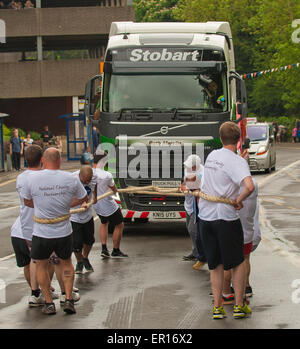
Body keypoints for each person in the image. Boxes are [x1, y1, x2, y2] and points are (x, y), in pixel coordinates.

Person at [198, 121, 254, 320]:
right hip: (225, 218)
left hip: (205, 217)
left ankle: (217, 308)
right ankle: (239, 306)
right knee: (237, 262)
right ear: (238, 140)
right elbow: (249, 186)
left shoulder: (212, 156)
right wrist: (238, 200)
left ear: (220, 138)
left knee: (215, 264)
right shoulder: (237, 161)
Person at [22, 147, 88, 315]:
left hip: (41, 232)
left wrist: (44, 204)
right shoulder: (70, 179)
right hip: (63, 231)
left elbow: (27, 202)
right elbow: (83, 198)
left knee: (42, 266)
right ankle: (68, 299)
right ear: (59, 160)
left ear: (43, 161)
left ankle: (49, 303)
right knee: (66, 263)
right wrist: (65, 205)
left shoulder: (32, 179)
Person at [11, 145, 44, 307]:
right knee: (44, 263)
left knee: (27, 264)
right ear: (42, 160)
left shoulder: (21, 178)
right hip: (37, 229)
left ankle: (36, 291)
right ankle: (39, 292)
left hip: (18, 230)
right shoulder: (43, 177)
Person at [222, 177, 258, 304]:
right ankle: (245, 289)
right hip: (248, 231)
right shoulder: (253, 183)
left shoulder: (231, 186)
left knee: (227, 263)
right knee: (245, 260)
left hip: (232, 230)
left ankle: (226, 293)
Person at [92, 151, 128, 258]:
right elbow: (114, 189)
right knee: (120, 224)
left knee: (104, 223)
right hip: (108, 204)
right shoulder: (106, 175)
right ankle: (115, 250)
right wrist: (115, 190)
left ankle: (104, 249)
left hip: (96, 204)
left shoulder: (89, 172)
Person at [70, 166, 98, 274]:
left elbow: (95, 185)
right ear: (79, 176)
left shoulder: (94, 177)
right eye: (84, 181)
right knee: (76, 244)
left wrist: (95, 197)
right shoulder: (72, 180)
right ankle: (79, 261)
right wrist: (80, 202)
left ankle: (85, 257)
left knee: (89, 240)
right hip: (74, 216)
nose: (87, 182)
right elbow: (67, 201)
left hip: (87, 215)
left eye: (88, 181)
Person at [181, 154, 206, 268]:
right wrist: (183, 187)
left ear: (197, 166)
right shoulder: (187, 169)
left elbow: (200, 188)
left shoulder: (203, 172)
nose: (189, 168)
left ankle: (200, 254)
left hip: (198, 206)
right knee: (189, 227)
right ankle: (195, 251)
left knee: (193, 229)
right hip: (188, 204)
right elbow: (184, 182)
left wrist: (191, 188)